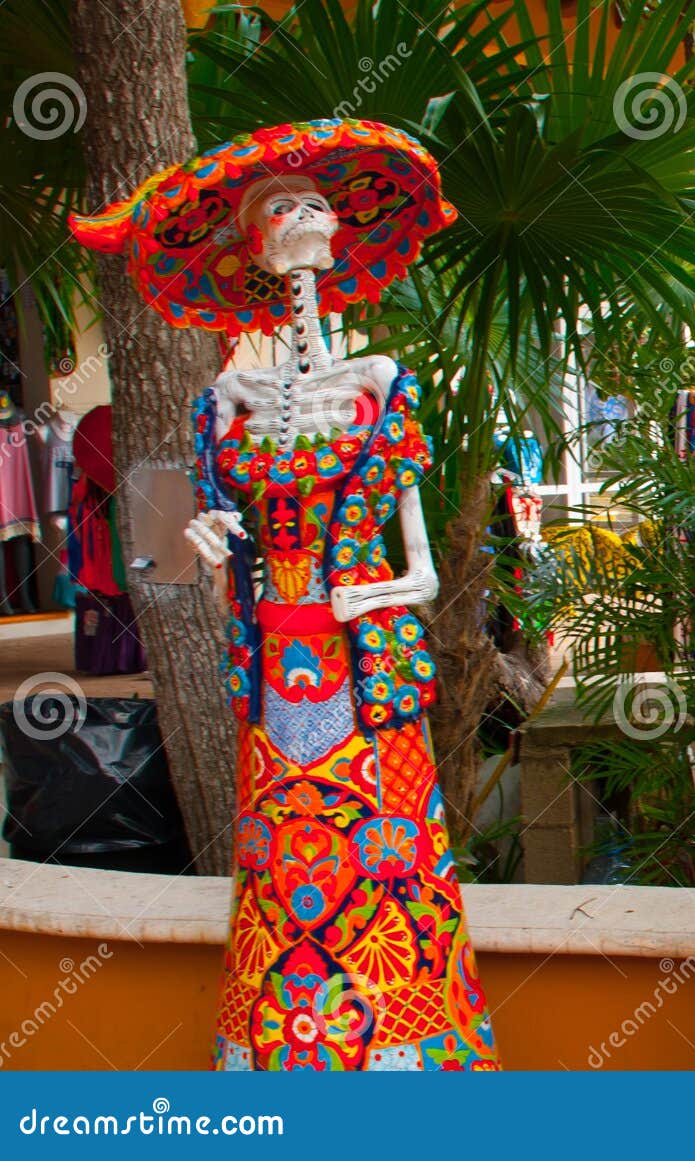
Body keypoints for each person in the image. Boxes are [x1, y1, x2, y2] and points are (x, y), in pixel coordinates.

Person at [71, 119, 498, 1071]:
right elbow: (189, 548)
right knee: (276, 862)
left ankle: (411, 1046)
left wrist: (377, 593)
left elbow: (423, 569)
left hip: (366, 671)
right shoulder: (225, 402)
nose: (300, 215)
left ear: (340, 227)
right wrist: (202, 536)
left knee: (393, 856)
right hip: (271, 670)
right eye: (277, 207)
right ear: (251, 246)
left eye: (312, 201)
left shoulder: (382, 386)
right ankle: (280, 1054)